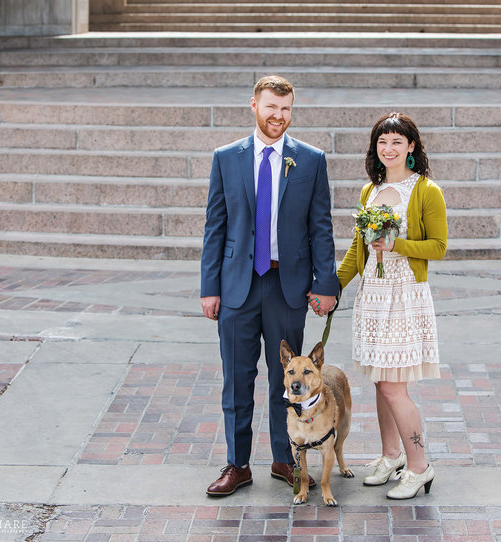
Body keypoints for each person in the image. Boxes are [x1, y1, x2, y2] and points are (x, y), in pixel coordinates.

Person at [200, 75, 340, 497]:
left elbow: (321, 227)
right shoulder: (227, 158)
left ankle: (286, 460)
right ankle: (237, 464)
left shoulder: (310, 160)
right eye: (270, 107)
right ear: (254, 106)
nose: (278, 116)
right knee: (237, 380)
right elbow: (215, 226)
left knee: (291, 380)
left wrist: (326, 283)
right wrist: (210, 286)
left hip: (287, 286)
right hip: (237, 285)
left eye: (285, 109)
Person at [325, 112, 447, 499]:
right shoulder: (369, 192)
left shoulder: (426, 191)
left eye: (397, 141)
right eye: (382, 142)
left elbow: (439, 247)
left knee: (395, 388)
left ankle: (419, 466)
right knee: (381, 383)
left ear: (411, 146)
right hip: (373, 297)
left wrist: (397, 246)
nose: (389, 148)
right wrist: (331, 286)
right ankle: (391, 455)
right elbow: (356, 251)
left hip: (405, 294)